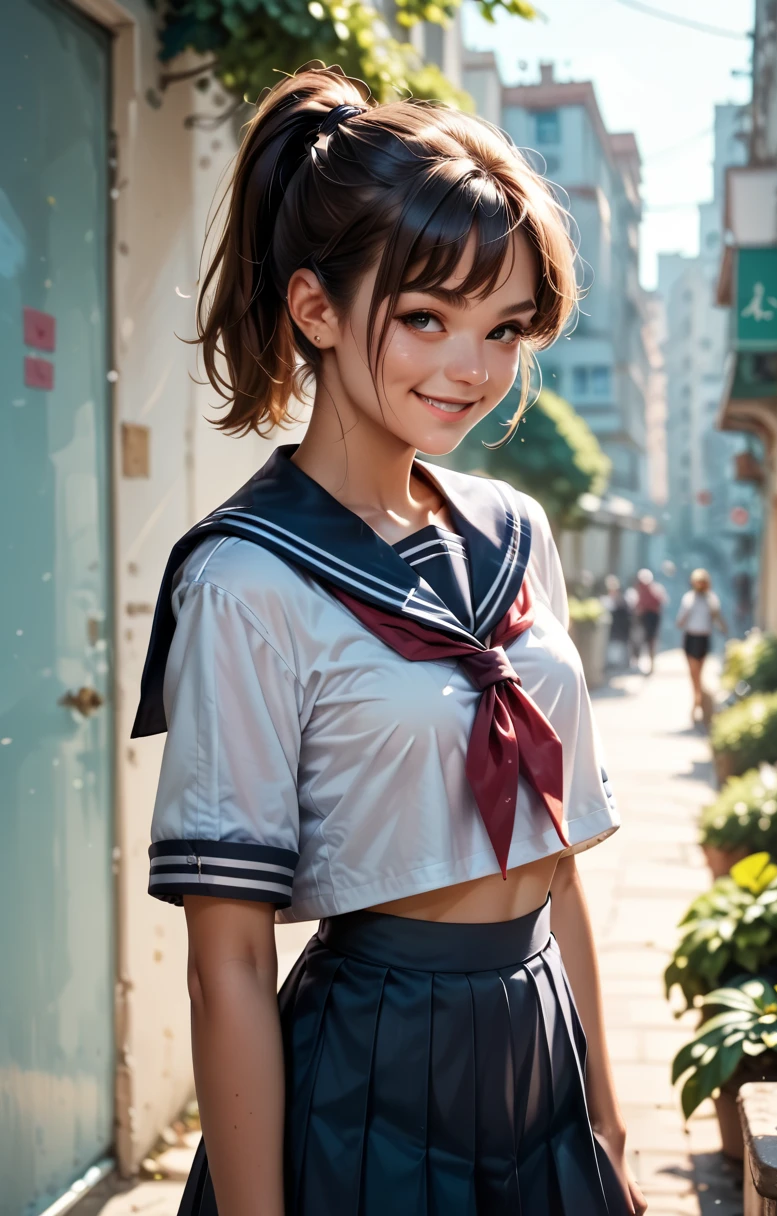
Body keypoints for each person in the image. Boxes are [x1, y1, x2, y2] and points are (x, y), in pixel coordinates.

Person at [132, 64, 645, 1216]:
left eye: (502, 327)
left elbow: (551, 866)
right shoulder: (246, 577)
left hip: (539, 1054)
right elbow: (227, 968)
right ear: (315, 309)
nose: (471, 367)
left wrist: (606, 1119)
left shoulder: (516, 531)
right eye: (425, 318)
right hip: (368, 1073)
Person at [676, 568, 727, 722]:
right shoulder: (689, 598)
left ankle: (698, 700)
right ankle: (697, 699)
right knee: (693, 672)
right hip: (691, 637)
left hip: (704, 637)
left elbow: (717, 617)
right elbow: (680, 621)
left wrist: (724, 629)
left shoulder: (711, 599)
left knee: (699, 671)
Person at [632, 568, 667, 675]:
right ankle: (640, 662)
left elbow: (660, 602)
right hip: (644, 617)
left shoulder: (655, 589)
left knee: (650, 641)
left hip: (652, 617)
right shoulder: (640, 588)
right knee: (641, 640)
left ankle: (651, 664)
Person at [602, 574, 633, 670]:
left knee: (620, 649)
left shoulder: (622, 600)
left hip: (620, 629)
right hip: (615, 630)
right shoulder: (609, 599)